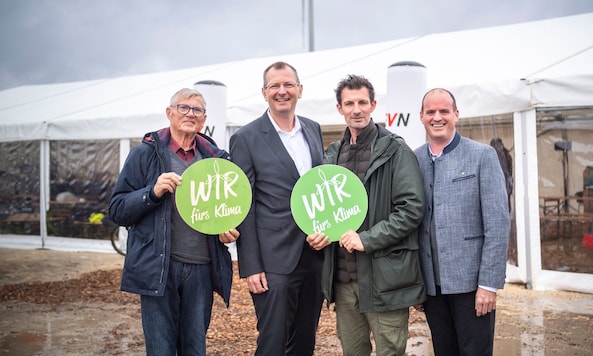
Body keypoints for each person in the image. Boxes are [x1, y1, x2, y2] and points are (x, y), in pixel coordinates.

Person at [109, 88, 239, 355]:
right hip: (159, 267)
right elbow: (118, 209)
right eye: (183, 108)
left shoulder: (216, 160)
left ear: (203, 120)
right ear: (170, 113)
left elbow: (230, 209)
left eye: (197, 110)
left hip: (202, 269)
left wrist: (229, 229)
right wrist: (152, 192)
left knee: (194, 348)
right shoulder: (145, 154)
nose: (190, 114)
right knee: (160, 349)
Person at [307, 74, 426, 355]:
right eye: (349, 103)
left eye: (362, 102)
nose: (356, 109)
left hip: (384, 281)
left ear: (373, 105)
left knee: (390, 351)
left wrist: (367, 239)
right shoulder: (333, 155)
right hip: (344, 282)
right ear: (340, 109)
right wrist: (318, 234)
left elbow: (412, 208)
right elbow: (321, 208)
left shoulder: (395, 150)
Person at [228, 61, 325, 355]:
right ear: (264, 92)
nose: (282, 91)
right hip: (273, 260)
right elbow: (244, 205)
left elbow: (319, 188)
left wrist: (327, 230)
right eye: (275, 86)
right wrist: (251, 265)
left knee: (305, 340)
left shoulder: (313, 129)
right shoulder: (246, 138)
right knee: (273, 342)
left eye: (288, 85)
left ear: (299, 90)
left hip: (314, 255)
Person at [413, 88, 510, 356]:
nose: (437, 117)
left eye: (444, 111)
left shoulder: (482, 156)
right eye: (430, 111)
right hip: (432, 288)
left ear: (456, 114)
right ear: (421, 117)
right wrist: (418, 285)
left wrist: (489, 285)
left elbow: (498, 223)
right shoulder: (414, 159)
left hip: (472, 286)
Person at [490, 137, 513, 212]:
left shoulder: (504, 155)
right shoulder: (506, 155)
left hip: (502, 185)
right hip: (503, 185)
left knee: (502, 207)